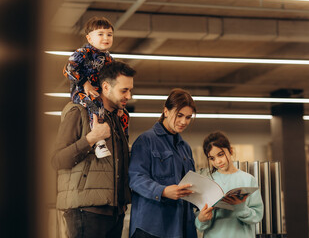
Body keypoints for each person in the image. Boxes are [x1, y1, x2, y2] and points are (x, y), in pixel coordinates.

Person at [52, 61, 136, 238]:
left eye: (130, 90)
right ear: (106, 87)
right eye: (124, 90)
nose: (129, 96)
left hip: (115, 211)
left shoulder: (116, 120)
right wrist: (91, 138)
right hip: (86, 211)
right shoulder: (78, 112)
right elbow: (58, 159)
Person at [128, 88, 198, 238]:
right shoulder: (146, 141)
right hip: (151, 227)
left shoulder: (185, 148)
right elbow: (135, 178)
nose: (183, 122)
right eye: (179, 115)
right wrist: (163, 191)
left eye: (188, 117)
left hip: (181, 227)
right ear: (166, 111)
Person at [63, 16, 130, 158]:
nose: (106, 37)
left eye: (109, 34)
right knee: (96, 103)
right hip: (81, 91)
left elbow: (114, 80)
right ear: (89, 38)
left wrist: (119, 104)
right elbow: (68, 69)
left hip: (99, 92)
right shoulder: (83, 53)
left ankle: (123, 143)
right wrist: (84, 83)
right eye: (100, 34)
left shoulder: (109, 58)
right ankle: (99, 143)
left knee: (124, 114)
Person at [196, 131, 264, 238]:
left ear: (230, 151)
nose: (218, 161)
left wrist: (240, 208)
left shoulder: (248, 179)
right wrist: (201, 219)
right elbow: (200, 224)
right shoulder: (207, 182)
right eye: (212, 158)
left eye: (221, 154)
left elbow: (257, 216)